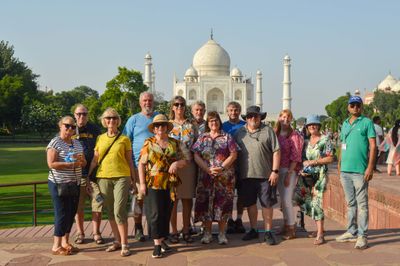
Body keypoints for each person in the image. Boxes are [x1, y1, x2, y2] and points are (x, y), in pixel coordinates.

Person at [138, 114, 188, 258]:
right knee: (155, 214)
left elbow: (186, 160)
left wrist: (176, 163)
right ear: (154, 129)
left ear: (167, 127)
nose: (160, 128)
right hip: (153, 182)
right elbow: (141, 164)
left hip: (170, 183)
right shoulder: (149, 143)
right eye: (157, 126)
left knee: (167, 212)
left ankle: (163, 240)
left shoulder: (174, 143)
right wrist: (141, 183)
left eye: (163, 125)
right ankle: (157, 244)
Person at [88, 108, 136, 257]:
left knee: (119, 211)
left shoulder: (124, 139)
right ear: (104, 121)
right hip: (103, 177)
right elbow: (96, 159)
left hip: (122, 176)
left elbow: (129, 161)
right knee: (109, 211)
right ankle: (117, 240)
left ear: (118, 120)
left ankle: (124, 244)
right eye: (108, 118)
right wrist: (88, 176)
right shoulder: (100, 138)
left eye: (114, 118)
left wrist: (133, 180)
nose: (111, 120)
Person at [234, 106, 281, 245]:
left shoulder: (268, 131)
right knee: (250, 204)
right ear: (246, 118)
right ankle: (254, 229)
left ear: (260, 117)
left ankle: (267, 232)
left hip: (266, 175)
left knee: (266, 204)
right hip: (246, 175)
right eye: (250, 116)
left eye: (256, 116)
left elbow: (276, 151)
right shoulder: (239, 133)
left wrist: (275, 171)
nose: (253, 118)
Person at [192, 111, 239, 244]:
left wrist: (222, 168)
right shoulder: (203, 137)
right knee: (206, 204)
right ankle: (207, 233)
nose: (214, 123)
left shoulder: (227, 137)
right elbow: (195, 155)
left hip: (224, 178)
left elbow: (233, 154)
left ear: (219, 122)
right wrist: (207, 169)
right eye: (211, 121)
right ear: (208, 123)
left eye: (216, 120)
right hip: (206, 177)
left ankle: (222, 233)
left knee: (222, 204)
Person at [336, 96, 376, 250]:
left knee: (362, 204)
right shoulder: (345, 124)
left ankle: (362, 236)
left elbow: (373, 146)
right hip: (345, 170)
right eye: (352, 105)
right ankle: (351, 231)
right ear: (348, 107)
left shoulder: (366, 123)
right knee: (350, 203)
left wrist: (370, 167)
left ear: (361, 107)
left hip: (360, 170)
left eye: (358, 105)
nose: (355, 108)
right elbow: (342, 144)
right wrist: (339, 163)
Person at [47, 116, 86, 255]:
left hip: (74, 183)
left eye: (72, 127)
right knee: (61, 213)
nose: (70, 129)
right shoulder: (55, 142)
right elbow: (51, 164)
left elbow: (84, 162)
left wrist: (81, 161)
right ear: (60, 126)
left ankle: (65, 242)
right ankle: (56, 246)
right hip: (58, 184)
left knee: (71, 213)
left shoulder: (77, 143)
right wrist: (70, 164)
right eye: (67, 126)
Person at [123, 91, 158, 242]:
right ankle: (138, 228)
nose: (147, 103)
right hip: (139, 166)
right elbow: (126, 142)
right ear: (140, 102)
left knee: (155, 200)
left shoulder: (158, 118)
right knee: (139, 199)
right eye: (144, 100)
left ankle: (154, 229)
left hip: (157, 167)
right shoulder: (134, 120)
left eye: (150, 100)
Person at [294, 115, 334, 245]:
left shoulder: (325, 140)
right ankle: (320, 227)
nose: (312, 127)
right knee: (300, 199)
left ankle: (320, 233)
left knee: (316, 203)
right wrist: (302, 168)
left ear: (319, 126)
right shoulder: (306, 141)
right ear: (306, 127)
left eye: (315, 124)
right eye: (310, 125)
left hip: (320, 176)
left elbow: (330, 158)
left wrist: (314, 162)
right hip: (307, 176)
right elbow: (302, 160)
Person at [72, 104, 103, 245]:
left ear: (88, 115)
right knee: (79, 206)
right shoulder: (70, 129)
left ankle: (96, 232)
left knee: (97, 204)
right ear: (74, 115)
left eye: (84, 114)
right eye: (79, 114)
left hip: (94, 174)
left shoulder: (95, 129)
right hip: (77, 175)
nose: (81, 117)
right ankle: (80, 233)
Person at [168, 96, 198, 243]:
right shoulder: (167, 125)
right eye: (177, 104)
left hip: (188, 166)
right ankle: (173, 231)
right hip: (172, 167)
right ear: (172, 107)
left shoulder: (191, 125)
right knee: (173, 200)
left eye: (182, 104)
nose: (179, 107)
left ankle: (186, 230)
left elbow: (197, 146)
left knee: (187, 200)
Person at [275, 109, 304, 240]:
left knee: (287, 200)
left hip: (289, 170)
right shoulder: (275, 133)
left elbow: (296, 156)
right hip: (278, 170)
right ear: (279, 118)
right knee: (283, 200)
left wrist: (289, 173)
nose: (285, 119)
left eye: (288, 117)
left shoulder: (294, 135)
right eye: (283, 116)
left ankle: (292, 228)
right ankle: (286, 224)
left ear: (291, 120)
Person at [222, 101, 246, 234]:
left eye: (236, 110)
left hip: (242, 164)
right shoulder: (223, 126)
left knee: (241, 195)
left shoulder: (245, 125)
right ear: (227, 111)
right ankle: (230, 219)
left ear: (240, 111)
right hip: (228, 165)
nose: (233, 112)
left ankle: (239, 218)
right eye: (231, 110)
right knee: (229, 194)